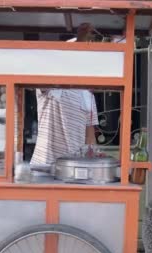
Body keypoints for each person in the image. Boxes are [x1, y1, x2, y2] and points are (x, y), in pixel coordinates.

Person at [30, 23, 98, 167]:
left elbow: (90, 136)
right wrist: (79, 42)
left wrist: (92, 163)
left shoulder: (88, 93)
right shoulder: (51, 82)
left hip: (73, 169)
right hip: (44, 165)